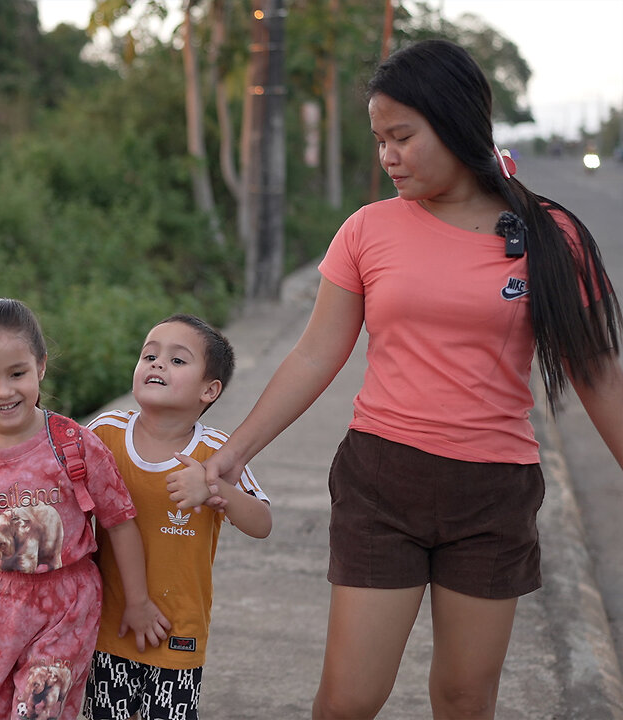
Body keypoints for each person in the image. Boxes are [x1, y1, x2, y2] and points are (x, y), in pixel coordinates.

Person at [185, 39, 623, 719]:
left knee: (462, 699)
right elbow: (312, 355)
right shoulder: (368, 230)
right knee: (349, 699)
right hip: (382, 483)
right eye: (378, 138)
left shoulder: (549, 236)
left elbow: (598, 375)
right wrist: (235, 451)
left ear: (456, 124)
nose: (387, 155)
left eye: (402, 136)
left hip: (494, 494)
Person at [0, 298, 170, 720]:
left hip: (65, 609)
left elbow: (120, 522)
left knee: (39, 712)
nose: (4, 391)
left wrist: (138, 601)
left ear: (41, 366)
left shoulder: (74, 445)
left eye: (18, 373)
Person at [84, 314, 272, 720]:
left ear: (210, 389)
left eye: (177, 360)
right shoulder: (104, 433)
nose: (156, 364)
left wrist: (216, 490)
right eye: (149, 354)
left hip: (178, 630)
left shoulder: (216, 452)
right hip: (107, 626)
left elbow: (262, 523)